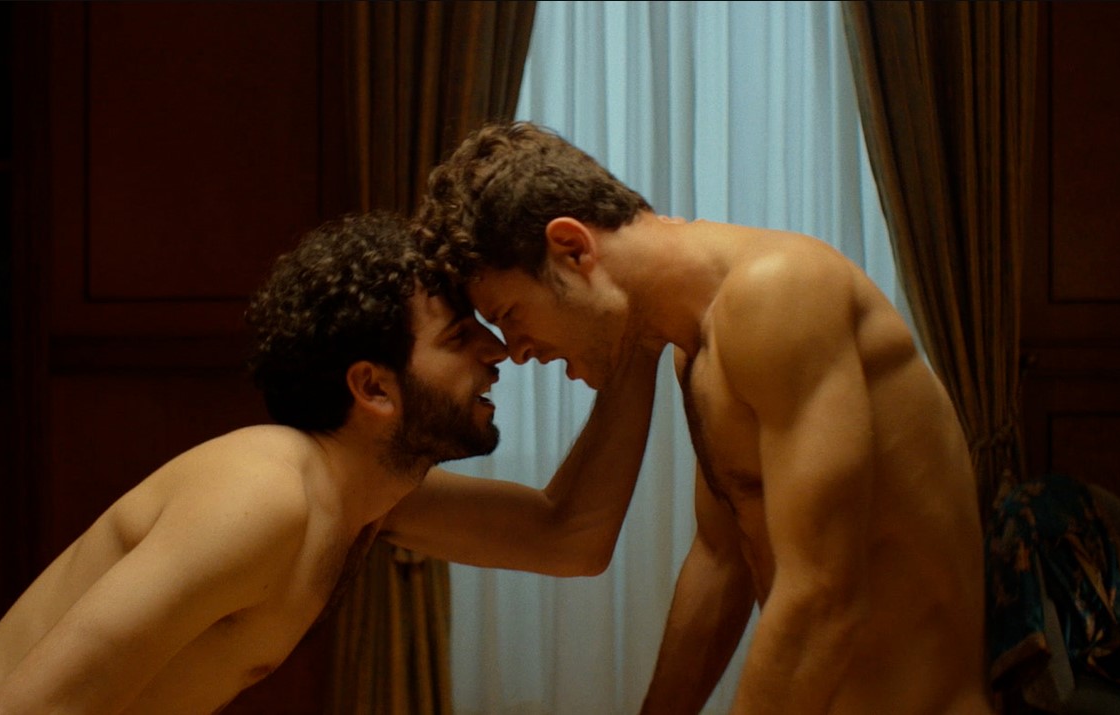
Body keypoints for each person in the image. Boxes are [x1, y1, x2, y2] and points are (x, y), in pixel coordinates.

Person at [0, 211, 661, 714]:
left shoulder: (367, 492)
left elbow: (569, 537)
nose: (497, 351)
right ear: (373, 387)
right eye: (456, 338)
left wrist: (638, 330)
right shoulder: (262, 498)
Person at [418, 121, 992, 714]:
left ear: (572, 249)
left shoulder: (779, 294)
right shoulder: (696, 349)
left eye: (509, 314)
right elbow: (722, 562)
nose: (515, 351)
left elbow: (822, 597)